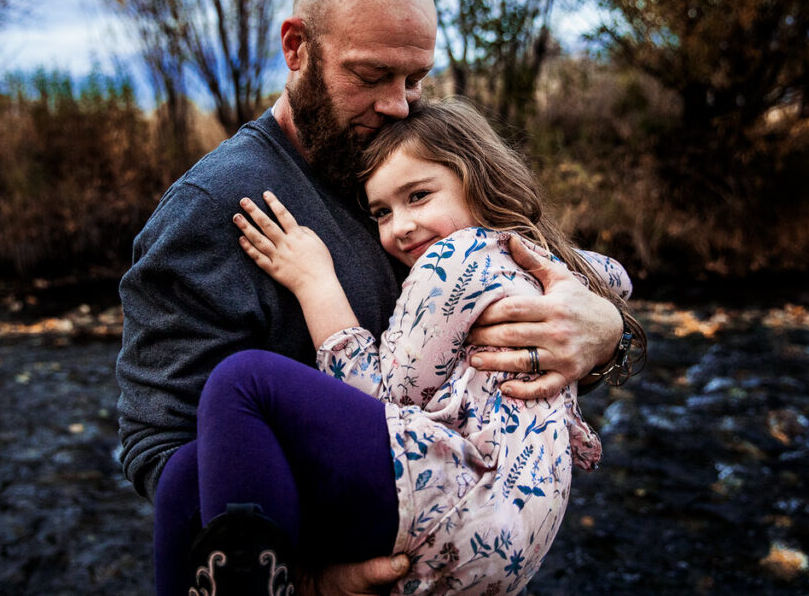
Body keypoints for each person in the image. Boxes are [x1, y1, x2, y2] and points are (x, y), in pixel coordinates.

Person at [116, 0, 627, 596]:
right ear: (296, 48)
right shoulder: (217, 207)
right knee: (240, 393)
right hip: (352, 556)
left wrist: (609, 335)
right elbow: (161, 451)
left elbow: (512, 333)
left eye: (414, 80)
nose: (398, 105)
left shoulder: (409, 172)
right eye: (372, 75)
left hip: (455, 532)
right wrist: (308, 581)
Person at [185, 97, 644, 594]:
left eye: (419, 196)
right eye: (381, 211)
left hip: (459, 505)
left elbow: (383, 401)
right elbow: (617, 277)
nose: (400, 226)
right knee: (183, 484)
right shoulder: (533, 256)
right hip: (512, 539)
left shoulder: (452, 258)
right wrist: (605, 315)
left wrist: (314, 282)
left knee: (243, 381)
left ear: (478, 177)